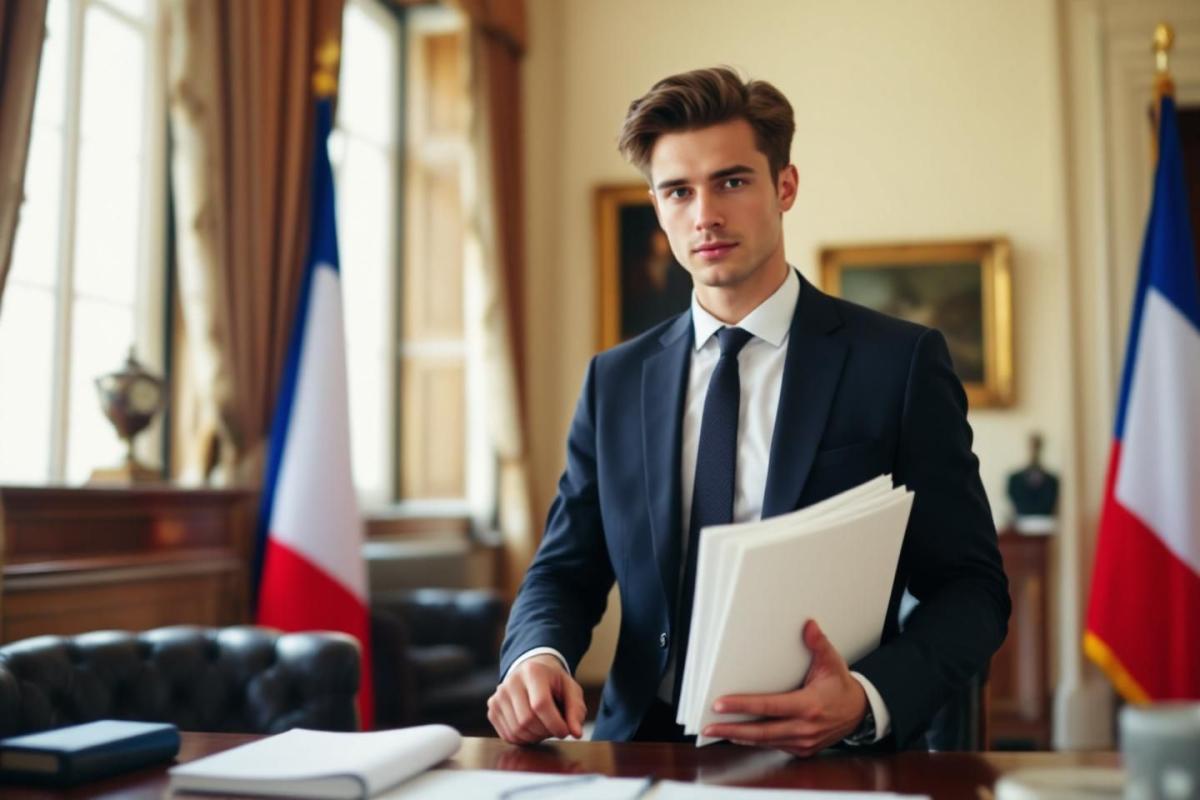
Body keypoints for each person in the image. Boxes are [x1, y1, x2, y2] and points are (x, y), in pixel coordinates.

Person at [488, 67, 1010, 754]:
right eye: (678, 191)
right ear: (657, 204)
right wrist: (537, 658)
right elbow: (566, 569)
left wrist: (865, 697)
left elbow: (972, 590)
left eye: (732, 181)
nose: (705, 214)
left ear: (784, 186)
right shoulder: (613, 381)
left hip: (825, 754)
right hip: (639, 748)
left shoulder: (899, 364)